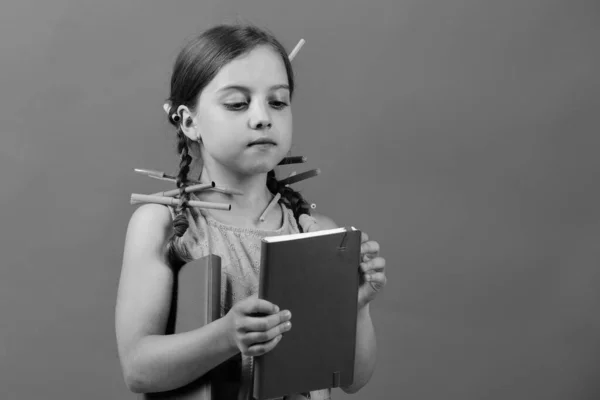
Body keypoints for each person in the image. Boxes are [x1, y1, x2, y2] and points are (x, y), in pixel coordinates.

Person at [115, 23, 387, 400]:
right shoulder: (164, 224)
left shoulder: (317, 233)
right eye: (237, 104)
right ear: (189, 122)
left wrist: (355, 306)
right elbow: (138, 370)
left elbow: (352, 379)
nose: (263, 117)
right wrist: (226, 336)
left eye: (277, 101)